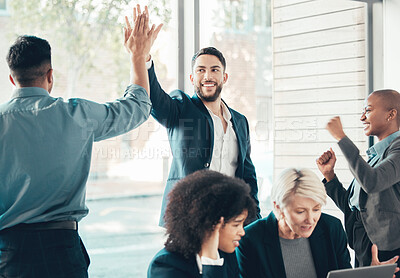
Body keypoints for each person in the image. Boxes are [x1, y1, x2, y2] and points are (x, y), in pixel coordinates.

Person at [0, 10, 160, 278]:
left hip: (9, 254)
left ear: (12, 79)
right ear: (50, 76)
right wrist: (137, 55)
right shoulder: (77, 114)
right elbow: (138, 107)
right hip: (62, 250)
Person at [129, 5, 261, 225]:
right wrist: (144, 57)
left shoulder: (240, 121)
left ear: (224, 77)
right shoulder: (181, 108)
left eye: (214, 69)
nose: (207, 75)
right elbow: (156, 100)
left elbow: (248, 173)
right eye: (200, 70)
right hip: (189, 220)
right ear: (192, 78)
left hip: (229, 221)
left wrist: (254, 216)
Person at [316, 89, 400, 272]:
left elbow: (372, 182)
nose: (362, 118)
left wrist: (341, 138)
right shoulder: (376, 156)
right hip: (364, 247)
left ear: (391, 114)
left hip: (387, 250)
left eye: (368, 110)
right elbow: (354, 206)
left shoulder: (398, 150)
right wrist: (330, 176)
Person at [236, 168, 352, 278]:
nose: (310, 220)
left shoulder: (332, 228)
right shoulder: (249, 239)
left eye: (316, 209)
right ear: (278, 207)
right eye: (300, 211)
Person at [147, 170, 257, 278]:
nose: (242, 232)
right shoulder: (165, 266)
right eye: (236, 225)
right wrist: (211, 261)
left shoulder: (226, 255)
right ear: (210, 224)